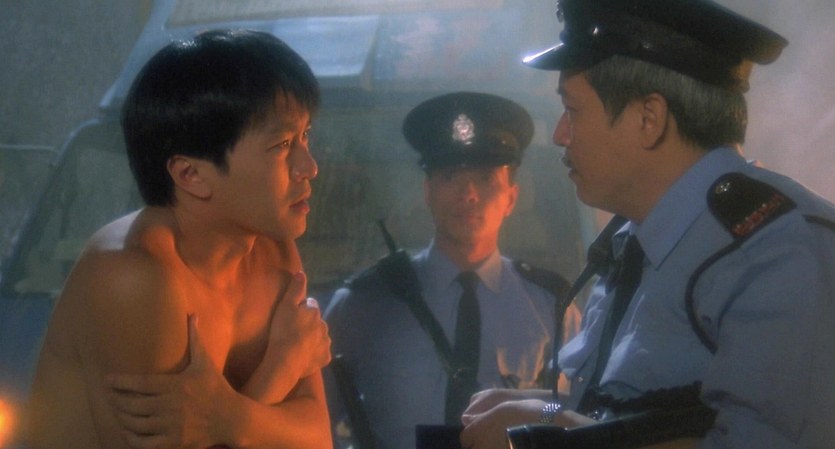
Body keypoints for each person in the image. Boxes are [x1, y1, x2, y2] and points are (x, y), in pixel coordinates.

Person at [459, 0, 835, 448]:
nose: (560, 134)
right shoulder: (635, 242)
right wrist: (543, 411)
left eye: (572, 110)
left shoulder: (781, 251)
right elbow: (612, 409)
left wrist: (554, 433)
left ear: (648, 119)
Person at [25, 29, 332, 449]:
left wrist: (229, 417)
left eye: (305, 135)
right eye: (282, 144)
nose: (309, 167)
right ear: (191, 175)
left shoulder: (271, 247)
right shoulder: (135, 278)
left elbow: (317, 439)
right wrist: (279, 370)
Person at [324, 91, 576, 449]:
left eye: (486, 178)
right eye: (450, 176)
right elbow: (314, 423)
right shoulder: (364, 305)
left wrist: (531, 414)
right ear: (428, 191)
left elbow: (572, 411)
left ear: (511, 198)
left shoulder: (551, 307)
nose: (468, 193)